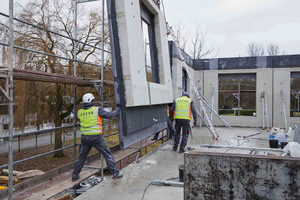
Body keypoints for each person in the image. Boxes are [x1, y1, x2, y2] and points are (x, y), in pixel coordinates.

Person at [72, 93, 123, 181]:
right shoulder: (97, 110)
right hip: (96, 138)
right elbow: (110, 115)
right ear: (92, 101)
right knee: (107, 154)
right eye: (93, 100)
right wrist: (117, 109)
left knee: (81, 157)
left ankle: (75, 176)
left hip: (84, 138)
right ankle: (115, 173)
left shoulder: (79, 112)